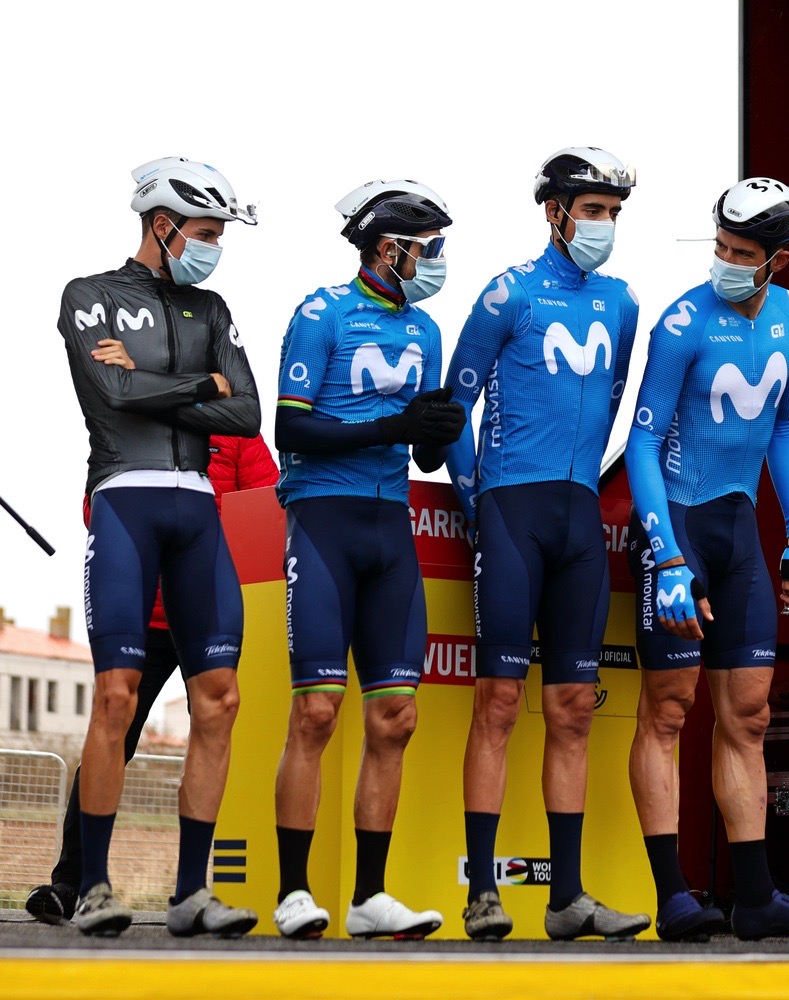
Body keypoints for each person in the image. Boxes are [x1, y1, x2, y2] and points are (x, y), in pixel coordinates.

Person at [624, 177, 789, 941]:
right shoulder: (682, 323)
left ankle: (755, 898)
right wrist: (667, 557)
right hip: (678, 524)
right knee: (668, 709)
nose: (723, 259)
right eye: (720, 245)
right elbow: (643, 442)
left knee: (749, 716)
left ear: (778, 260)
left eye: (741, 252)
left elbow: (785, 425)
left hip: (739, 530)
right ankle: (673, 897)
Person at [442, 147, 648, 942]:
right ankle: (481, 893)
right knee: (497, 703)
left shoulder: (622, 303)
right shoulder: (508, 293)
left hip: (578, 521)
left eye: (613, 213)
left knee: (572, 711)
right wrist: (477, 498)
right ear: (556, 212)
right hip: (511, 512)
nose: (605, 225)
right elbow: (452, 408)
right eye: (593, 211)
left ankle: (568, 898)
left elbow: (611, 406)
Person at [56, 156, 262, 937]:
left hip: (199, 510)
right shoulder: (90, 294)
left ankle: (189, 894)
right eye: (205, 232)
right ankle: (92, 886)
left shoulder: (212, 308)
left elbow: (247, 414)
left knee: (221, 699)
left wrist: (151, 383)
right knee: (117, 696)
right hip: (125, 500)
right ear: (163, 224)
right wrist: (203, 385)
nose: (214, 247)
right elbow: (109, 394)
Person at [270, 179, 465, 940]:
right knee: (317, 711)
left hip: (391, 526)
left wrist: (438, 432)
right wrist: (394, 426)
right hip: (324, 518)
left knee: (396, 717)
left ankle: (369, 898)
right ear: (391, 249)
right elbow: (292, 430)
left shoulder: (427, 329)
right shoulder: (320, 313)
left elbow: (423, 450)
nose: (438, 260)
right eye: (430, 248)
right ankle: (294, 892)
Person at [25, 429, 277, 925]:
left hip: (209, 615)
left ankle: (196, 891)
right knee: (113, 735)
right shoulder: (131, 422)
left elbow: (266, 508)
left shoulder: (238, 433)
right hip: (144, 617)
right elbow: (96, 510)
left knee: (220, 734)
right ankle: (72, 884)